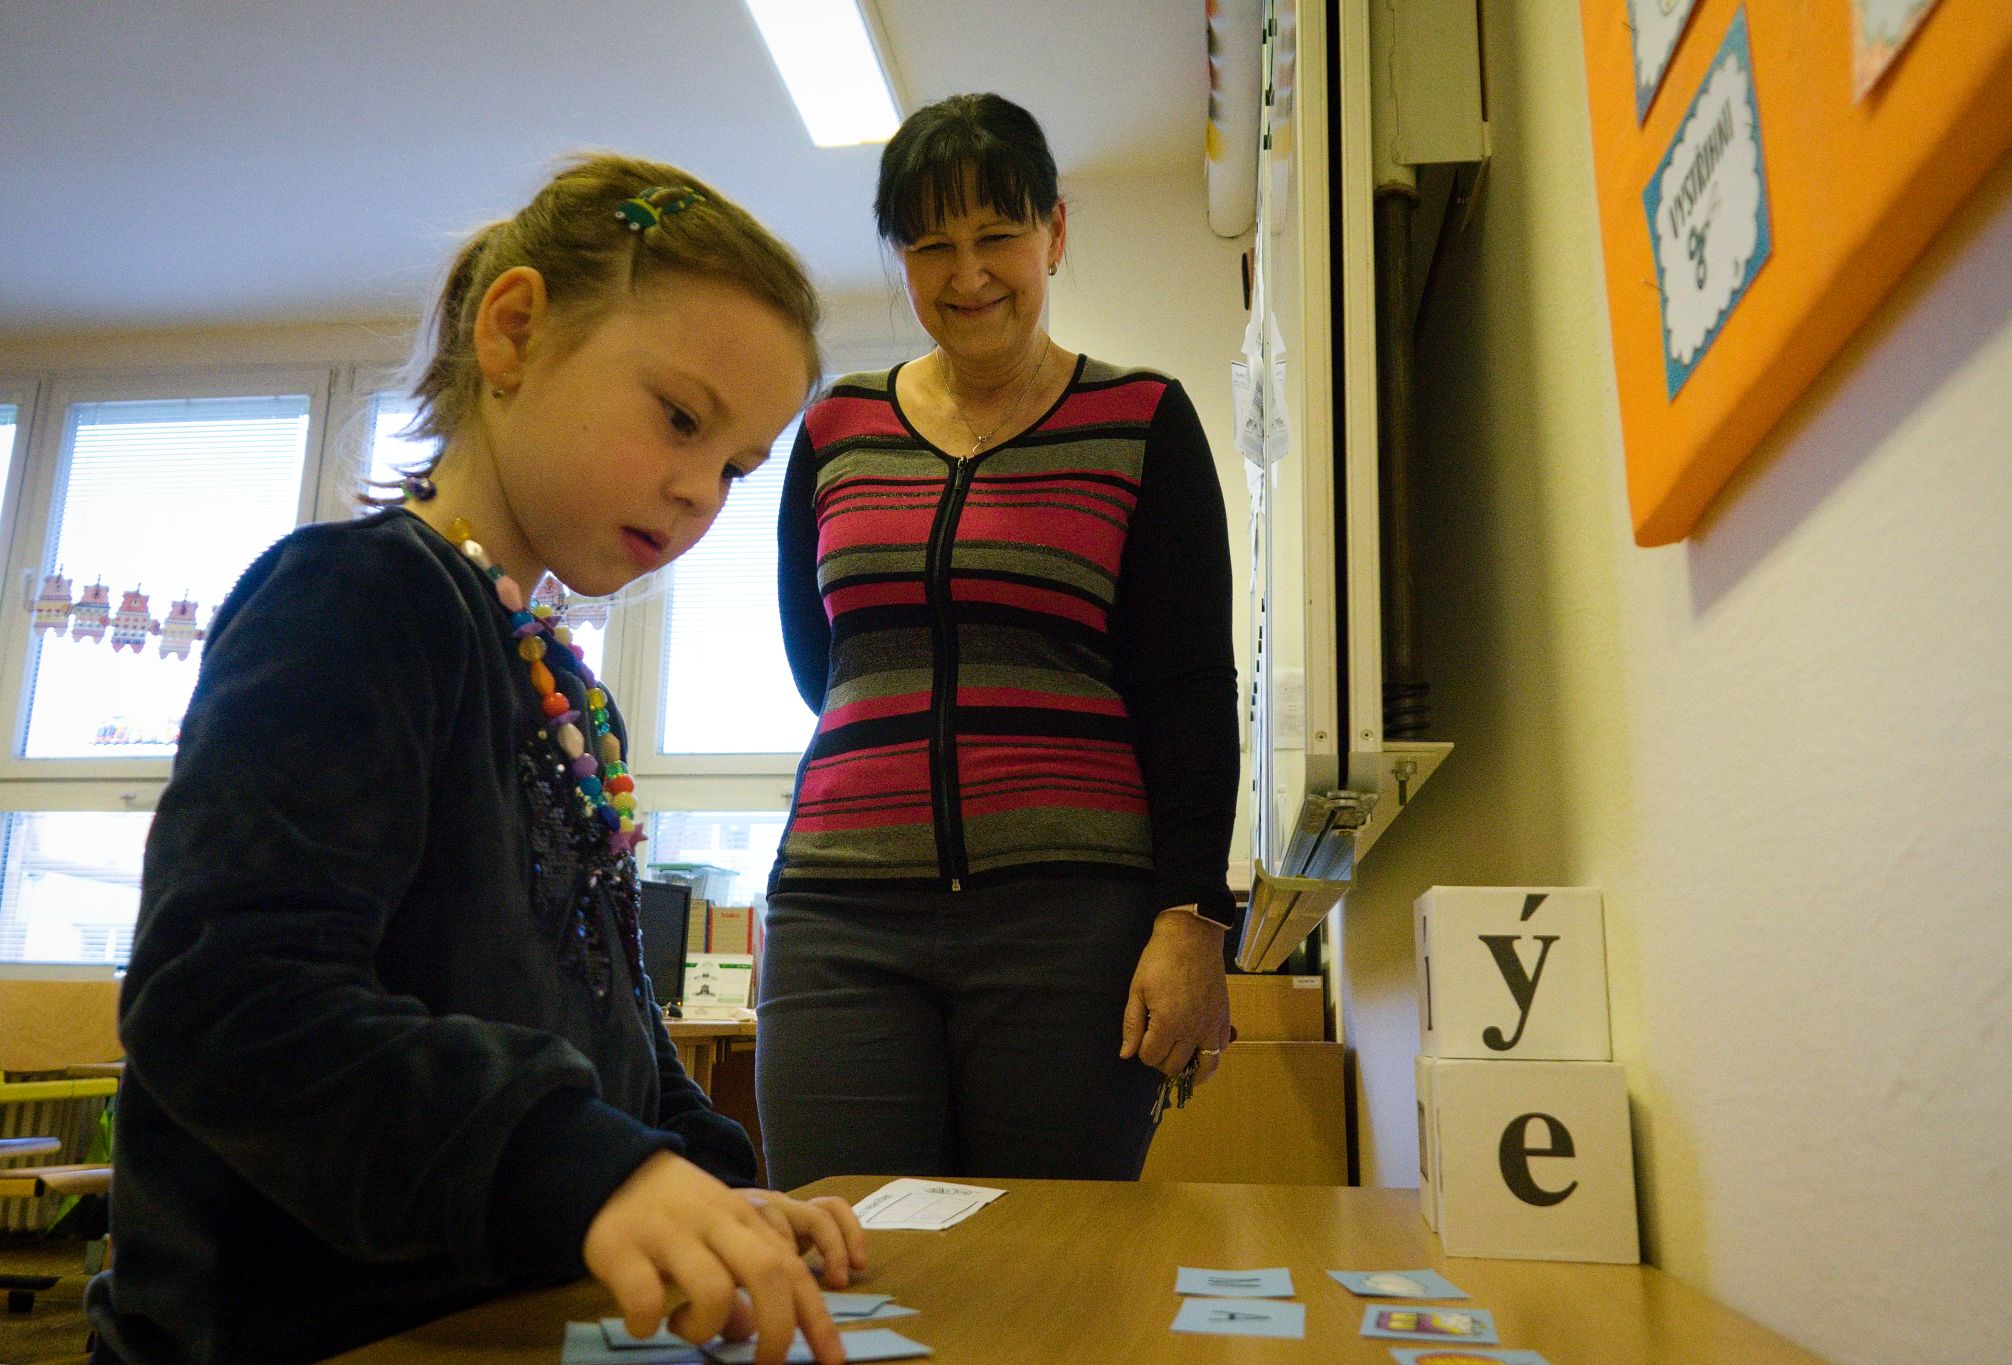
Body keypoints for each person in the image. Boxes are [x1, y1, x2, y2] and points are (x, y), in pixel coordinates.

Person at [87, 154, 863, 1365]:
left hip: (510, 1319)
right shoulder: (351, 600)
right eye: (678, 418)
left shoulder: (566, 695)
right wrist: (579, 1167)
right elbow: (226, 1003)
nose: (696, 493)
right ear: (512, 332)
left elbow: (608, 1020)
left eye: (733, 469)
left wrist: (706, 1183)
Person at [760, 94, 1241, 1190]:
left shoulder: (1141, 422)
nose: (967, 273)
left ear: (1054, 233)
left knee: (1049, 1260)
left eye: (996, 235)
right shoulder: (834, 428)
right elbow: (819, 664)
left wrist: (1193, 920)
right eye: (930, 244)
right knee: (847, 1246)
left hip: (1069, 922)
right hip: (840, 913)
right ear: (899, 257)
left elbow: (1188, 693)